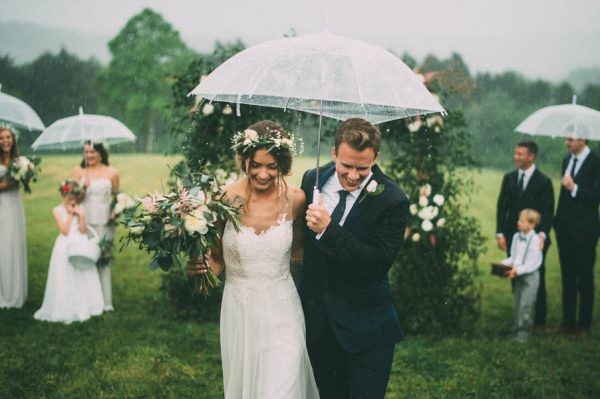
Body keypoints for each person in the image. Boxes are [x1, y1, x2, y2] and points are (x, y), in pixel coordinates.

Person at [188, 121, 319, 399]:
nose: (263, 173)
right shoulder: (224, 198)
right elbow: (218, 259)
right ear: (244, 160)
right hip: (241, 311)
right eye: (256, 165)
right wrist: (203, 268)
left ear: (283, 163)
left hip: (284, 311)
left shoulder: (296, 199)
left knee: (281, 388)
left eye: (272, 166)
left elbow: (298, 254)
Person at [300, 118, 410, 399]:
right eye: (346, 165)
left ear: (376, 158)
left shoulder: (393, 199)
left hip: (367, 328)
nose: (352, 175)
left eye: (363, 168)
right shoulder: (312, 179)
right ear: (334, 153)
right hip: (320, 325)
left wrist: (328, 230)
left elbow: (375, 263)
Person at [496, 140, 554, 330]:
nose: (516, 157)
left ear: (531, 156)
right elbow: (501, 207)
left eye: (520, 154)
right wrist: (500, 233)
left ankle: (538, 321)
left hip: (535, 240)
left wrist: (542, 236)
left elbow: (548, 211)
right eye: (515, 153)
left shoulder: (544, 182)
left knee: (536, 276)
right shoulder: (509, 177)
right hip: (514, 238)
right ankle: (520, 317)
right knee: (515, 275)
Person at [34, 180, 104, 323]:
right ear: (63, 195)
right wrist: (71, 214)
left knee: (82, 273)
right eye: (68, 197)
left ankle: (86, 304)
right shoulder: (57, 210)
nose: (71, 200)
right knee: (65, 273)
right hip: (64, 245)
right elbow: (64, 231)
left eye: (73, 196)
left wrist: (81, 215)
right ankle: (65, 306)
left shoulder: (80, 207)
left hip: (80, 242)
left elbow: (84, 230)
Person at [554, 137, 600, 337]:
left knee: (584, 277)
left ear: (583, 139)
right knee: (568, 277)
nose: (567, 143)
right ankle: (568, 321)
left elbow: (597, 196)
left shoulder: (596, 162)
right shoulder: (567, 161)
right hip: (564, 229)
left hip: (585, 230)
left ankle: (583, 325)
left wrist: (575, 188)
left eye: (571, 139)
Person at [72, 141, 119, 311]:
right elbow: (72, 201)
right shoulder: (78, 172)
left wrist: (117, 210)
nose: (89, 155)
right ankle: (85, 301)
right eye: (86, 152)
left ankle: (105, 302)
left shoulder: (112, 172)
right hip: (83, 220)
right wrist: (82, 189)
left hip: (105, 220)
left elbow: (115, 198)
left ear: (101, 153)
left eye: (92, 152)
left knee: (103, 259)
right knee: (83, 257)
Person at [500, 209, 543, 342]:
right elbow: (514, 257)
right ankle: (517, 328)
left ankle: (524, 333)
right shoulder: (516, 237)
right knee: (518, 302)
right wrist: (502, 264)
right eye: (519, 220)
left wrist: (517, 270)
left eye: (522, 221)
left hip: (530, 277)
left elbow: (533, 263)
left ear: (532, 224)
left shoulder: (535, 240)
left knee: (526, 304)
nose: (518, 223)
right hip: (518, 275)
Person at [0, 125, 28, 309]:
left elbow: (23, 182)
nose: (5, 141)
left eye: (8, 137)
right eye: (1, 138)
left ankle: (15, 291)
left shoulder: (21, 162)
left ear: (13, 139)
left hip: (14, 206)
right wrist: (9, 183)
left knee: (13, 244)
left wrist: (24, 177)